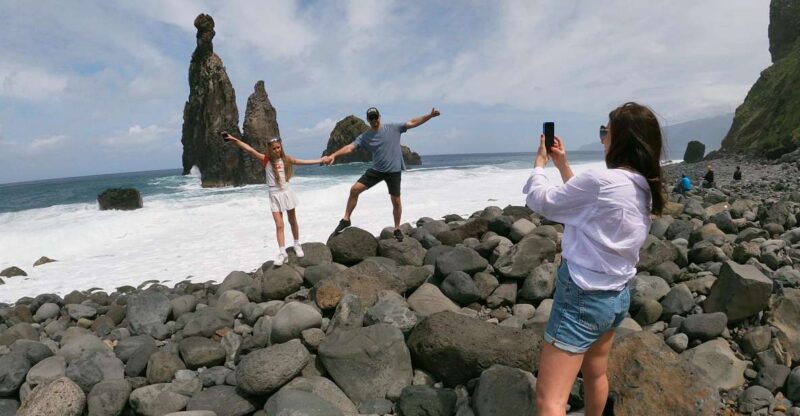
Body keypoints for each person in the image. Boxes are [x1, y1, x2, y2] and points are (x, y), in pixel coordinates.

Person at [523, 102, 665, 416]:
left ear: (621, 141)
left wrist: (539, 165)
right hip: (615, 297)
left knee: (550, 400)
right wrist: (563, 167)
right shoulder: (644, 187)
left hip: (582, 297)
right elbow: (588, 207)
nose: (602, 139)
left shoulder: (601, 182)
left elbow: (542, 201)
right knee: (596, 373)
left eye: (606, 132)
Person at [323, 107, 440, 241]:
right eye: (371, 118)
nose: (374, 120)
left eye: (375, 117)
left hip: (394, 171)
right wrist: (333, 155)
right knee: (354, 189)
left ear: (379, 117)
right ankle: (346, 219)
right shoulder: (365, 137)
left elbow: (412, 122)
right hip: (377, 170)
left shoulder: (393, 128)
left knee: (396, 201)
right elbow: (350, 147)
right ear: (368, 120)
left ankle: (396, 228)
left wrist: (429, 116)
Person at [223, 133, 323, 266]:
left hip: (286, 193)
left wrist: (321, 160)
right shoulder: (266, 161)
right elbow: (249, 149)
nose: (277, 150)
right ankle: (283, 253)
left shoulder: (286, 160)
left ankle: (297, 244)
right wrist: (234, 140)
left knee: (292, 220)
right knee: (279, 225)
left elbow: (304, 162)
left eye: (278, 147)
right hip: (274, 195)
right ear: (270, 149)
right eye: (274, 148)